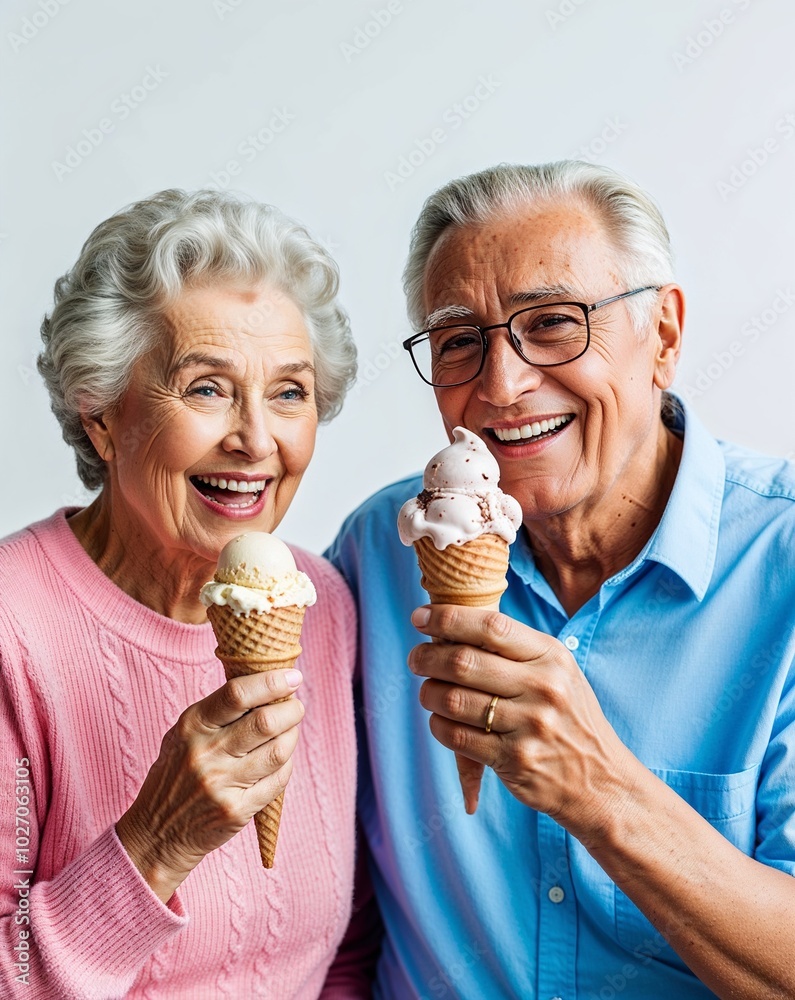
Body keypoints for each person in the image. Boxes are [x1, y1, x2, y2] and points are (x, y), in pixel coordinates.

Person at [327, 161, 795, 998]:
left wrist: (602, 790)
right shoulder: (378, 553)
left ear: (663, 334)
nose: (502, 387)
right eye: (460, 341)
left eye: (552, 324)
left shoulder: (783, 566)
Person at [0, 189, 367, 998]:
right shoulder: (11, 629)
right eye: (206, 388)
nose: (256, 440)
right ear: (99, 414)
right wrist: (155, 845)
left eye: (289, 392)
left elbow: (345, 953)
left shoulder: (325, 607)